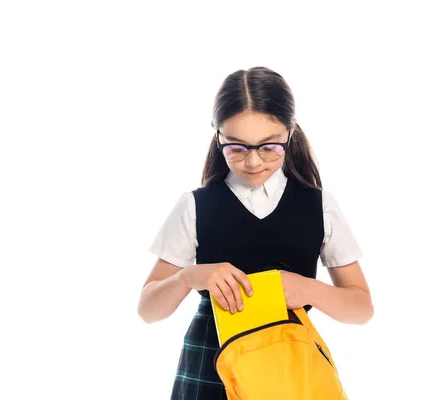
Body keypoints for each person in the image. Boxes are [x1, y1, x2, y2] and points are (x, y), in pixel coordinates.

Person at [137, 66, 374, 399]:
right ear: (217, 135)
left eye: (269, 147)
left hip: (286, 362)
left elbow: (362, 308)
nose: (252, 163)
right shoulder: (194, 206)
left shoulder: (320, 206)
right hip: (211, 361)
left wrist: (308, 289)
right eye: (236, 147)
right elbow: (148, 310)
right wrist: (188, 277)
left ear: (290, 134)